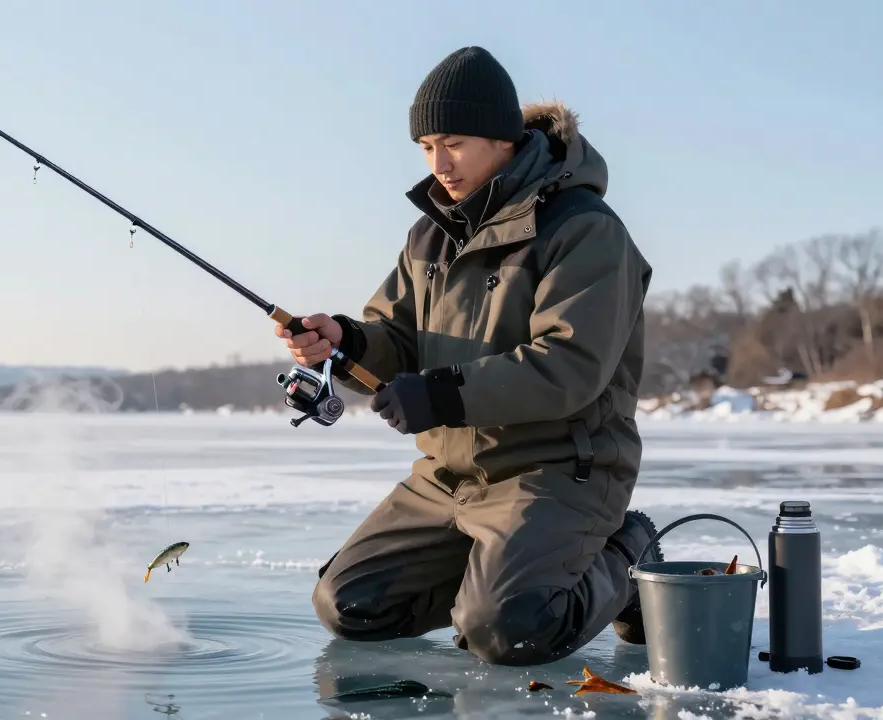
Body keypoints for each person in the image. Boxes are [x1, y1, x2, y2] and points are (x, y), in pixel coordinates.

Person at [276, 45, 662, 666]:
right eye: (427, 146)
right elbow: (397, 338)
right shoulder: (431, 233)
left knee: (509, 631)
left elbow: (570, 366)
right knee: (349, 606)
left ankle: (628, 551)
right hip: (448, 474)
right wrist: (346, 342)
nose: (439, 164)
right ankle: (499, 571)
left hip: (558, 469)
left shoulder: (584, 228)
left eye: (453, 143)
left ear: (503, 138)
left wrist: (441, 394)